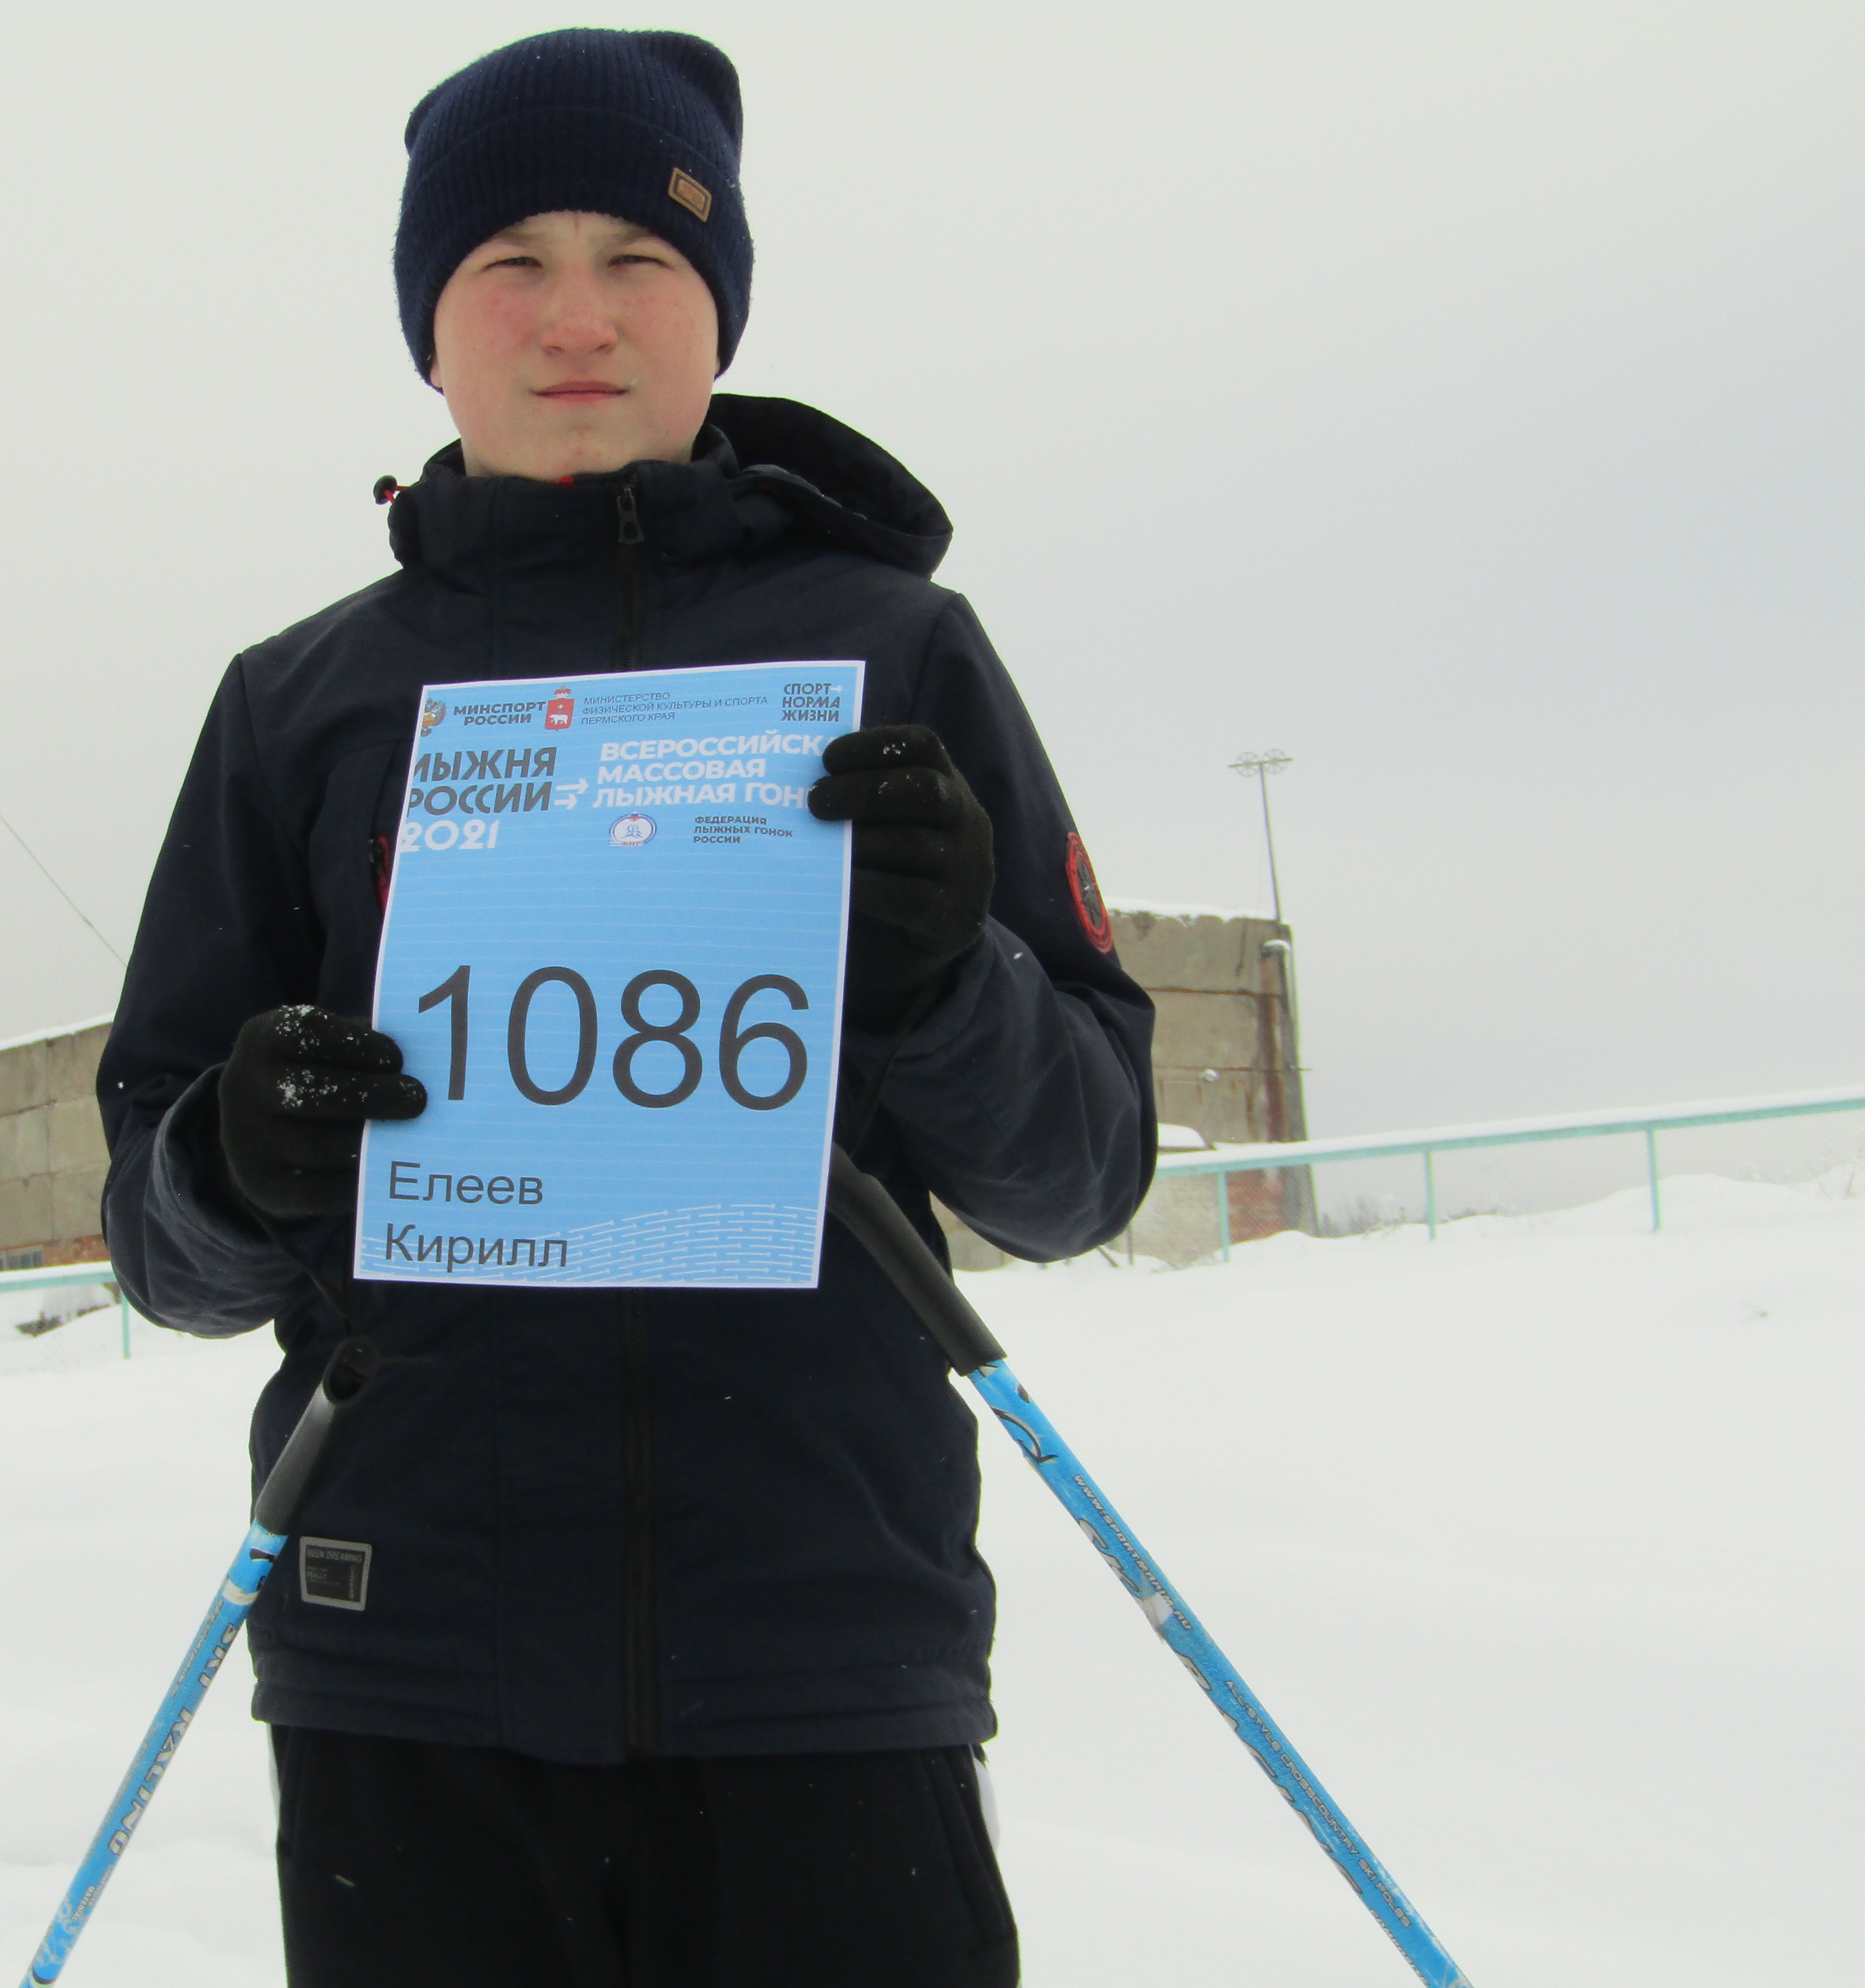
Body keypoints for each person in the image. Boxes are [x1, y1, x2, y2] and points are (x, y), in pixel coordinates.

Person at [96, 28, 1155, 1987]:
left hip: (819, 1665)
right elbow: (163, 1248)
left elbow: (1080, 1176)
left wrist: (951, 980)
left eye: (638, 258)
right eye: (511, 260)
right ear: (430, 328)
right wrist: (230, 1165)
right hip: (410, 1662)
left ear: (718, 310)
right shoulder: (300, 706)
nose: (575, 315)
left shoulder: (897, 653)